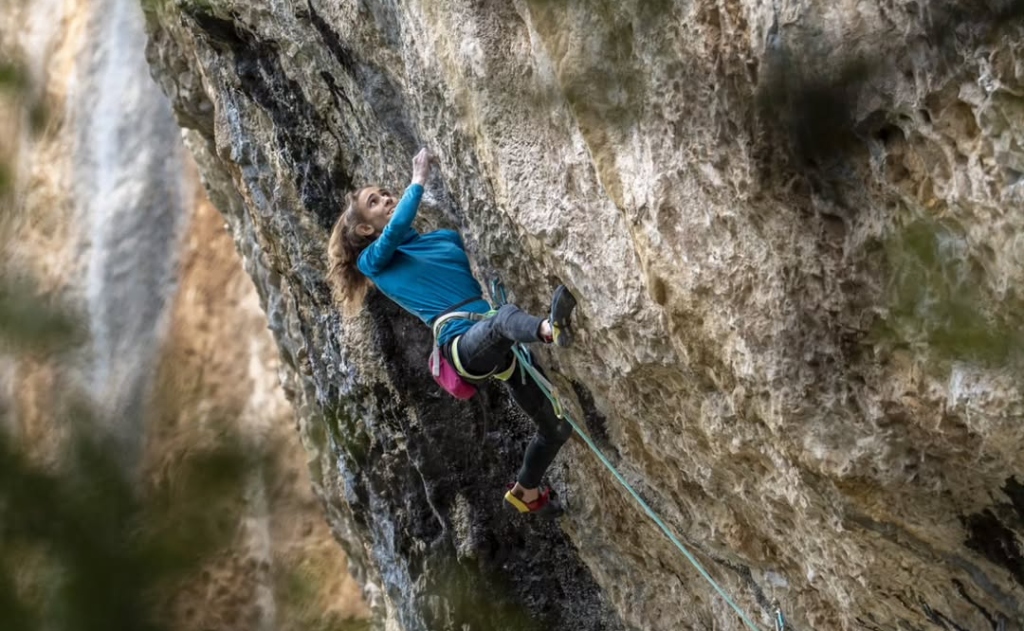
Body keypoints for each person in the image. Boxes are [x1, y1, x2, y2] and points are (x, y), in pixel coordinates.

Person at [327, 148, 577, 516]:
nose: (386, 199)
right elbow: (395, 230)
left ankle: (526, 491)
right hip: (460, 345)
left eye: (385, 193)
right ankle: (549, 329)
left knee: (556, 428)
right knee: (504, 319)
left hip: (495, 347)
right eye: (374, 201)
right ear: (366, 229)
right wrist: (418, 180)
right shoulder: (373, 262)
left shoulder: (442, 239)